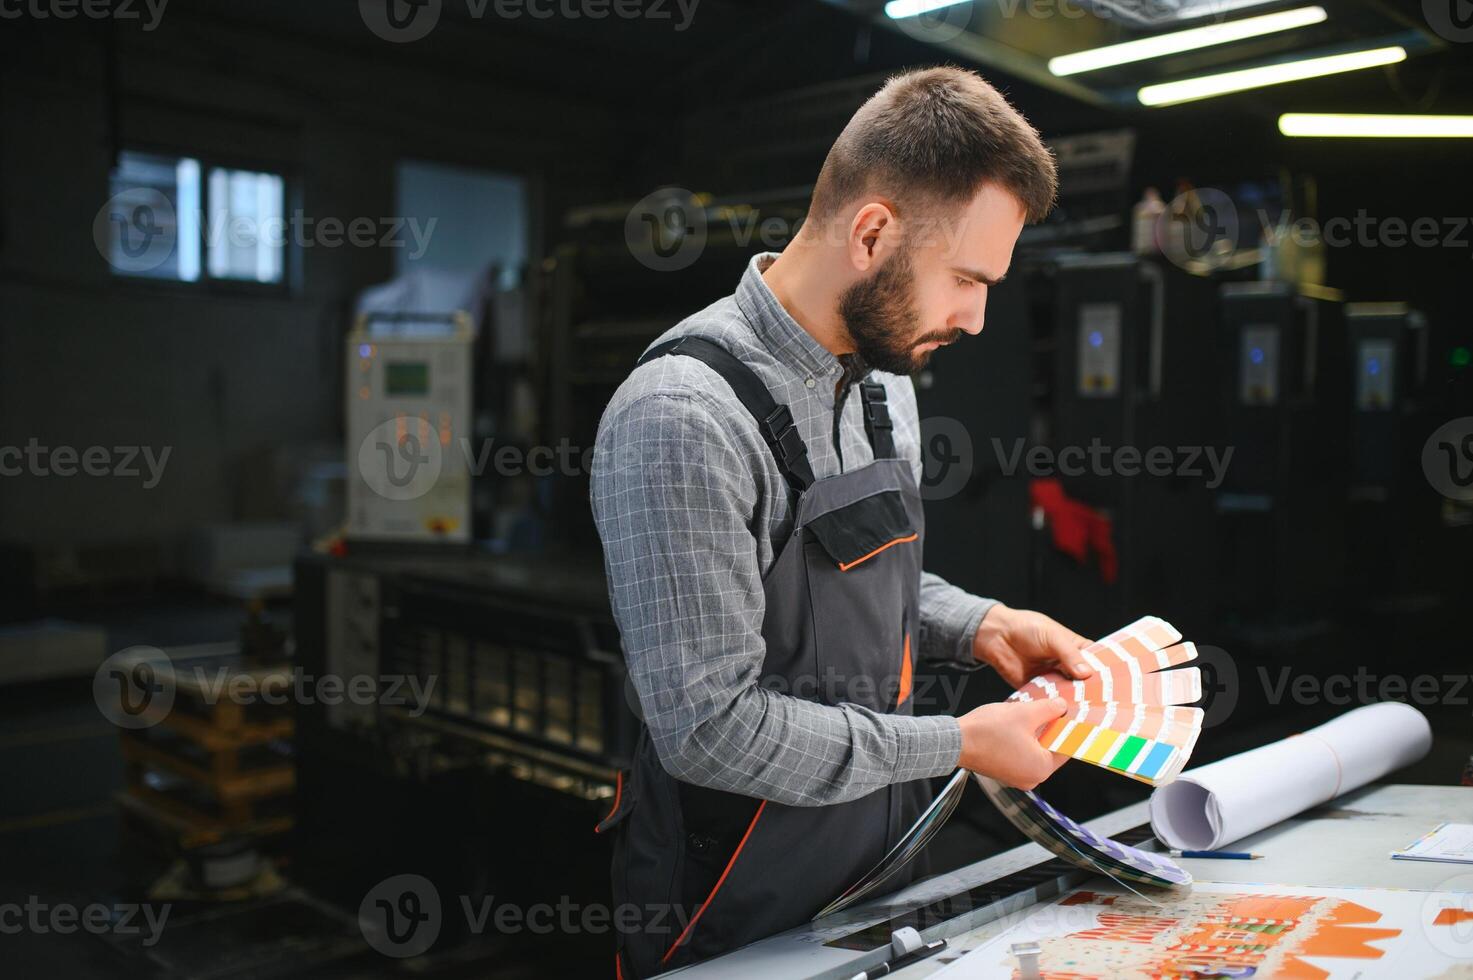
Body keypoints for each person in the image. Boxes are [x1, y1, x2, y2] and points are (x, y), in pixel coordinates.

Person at [590, 66, 1096, 978]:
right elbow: (709, 727)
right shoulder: (682, 417)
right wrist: (958, 744)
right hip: (726, 916)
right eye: (965, 279)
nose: (976, 319)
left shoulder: (883, 383)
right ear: (872, 233)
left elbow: (865, 579)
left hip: (870, 879)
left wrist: (981, 625)